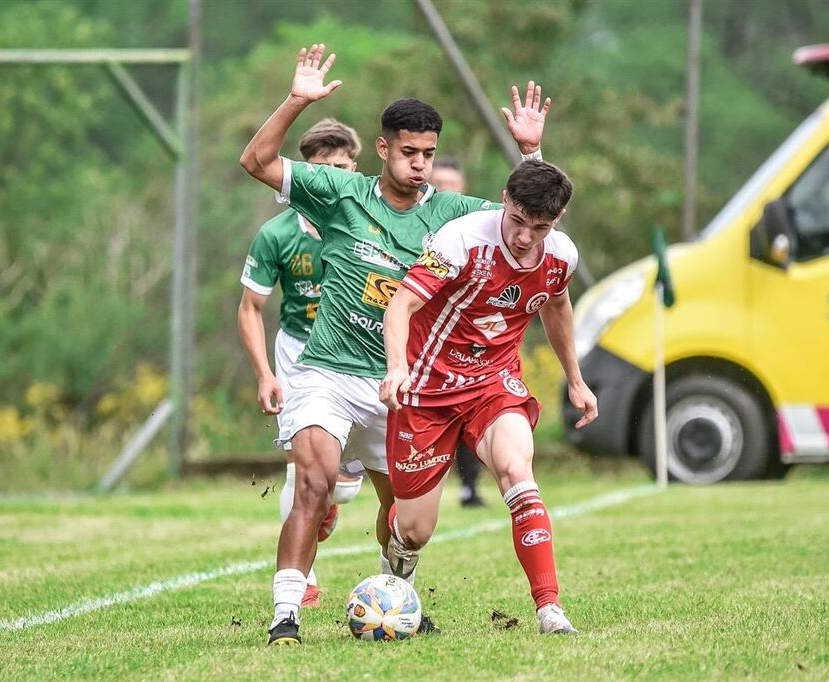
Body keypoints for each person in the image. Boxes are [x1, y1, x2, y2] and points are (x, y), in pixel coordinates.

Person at [238, 43, 550, 645]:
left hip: (401, 381)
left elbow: (530, 218)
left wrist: (532, 153)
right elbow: (256, 159)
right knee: (315, 481)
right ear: (382, 149)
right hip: (325, 370)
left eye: (428, 155)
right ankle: (285, 616)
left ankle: (393, 594)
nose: (419, 165)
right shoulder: (337, 192)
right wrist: (297, 100)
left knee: (407, 520)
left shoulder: (455, 215)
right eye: (408, 153)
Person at [379, 159, 598, 636]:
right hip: (425, 389)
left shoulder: (560, 255)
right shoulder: (460, 241)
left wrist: (575, 379)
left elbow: (557, 306)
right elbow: (402, 303)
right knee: (415, 529)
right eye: (517, 221)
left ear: (556, 221)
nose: (524, 237)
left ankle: (550, 610)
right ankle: (393, 580)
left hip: (492, 384)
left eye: (539, 227)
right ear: (504, 199)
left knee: (518, 473)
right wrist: (396, 367)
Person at [237, 118, 368, 609]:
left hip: (363, 350)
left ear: (354, 168)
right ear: (303, 172)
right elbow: (251, 308)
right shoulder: (277, 234)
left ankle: (332, 504)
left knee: (350, 483)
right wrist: (265, 373)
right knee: (302, 468)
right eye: (320, 170)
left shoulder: (371, 223)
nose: (331, 179)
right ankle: (304, 578)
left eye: (340, 168)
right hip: (301, 354)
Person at [428, 157, 485, 509]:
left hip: (467, 338)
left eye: (453, 184)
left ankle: (469, 486)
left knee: (469, 413)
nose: (446, 190)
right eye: (440, 184)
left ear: (462, 189)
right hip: (423, 335)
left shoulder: (479, 227)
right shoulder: (420, 224)